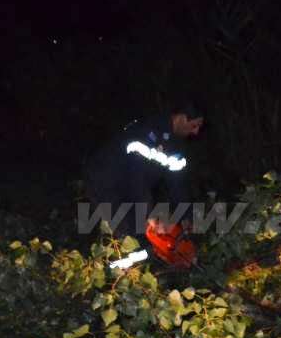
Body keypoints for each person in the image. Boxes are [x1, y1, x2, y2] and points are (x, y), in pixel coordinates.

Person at [82, 101, 204, 270]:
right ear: (181, 118)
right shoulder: (146, 132)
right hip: (106, 183)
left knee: (144, 236)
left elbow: (178, 184)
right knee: (126, 237)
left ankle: (139, 273)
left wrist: (186, 217)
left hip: (134, 190)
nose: (196, 131)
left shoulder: (177, 145)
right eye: (194, 125)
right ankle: (112, 273)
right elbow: (136, 176)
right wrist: (148, 214)